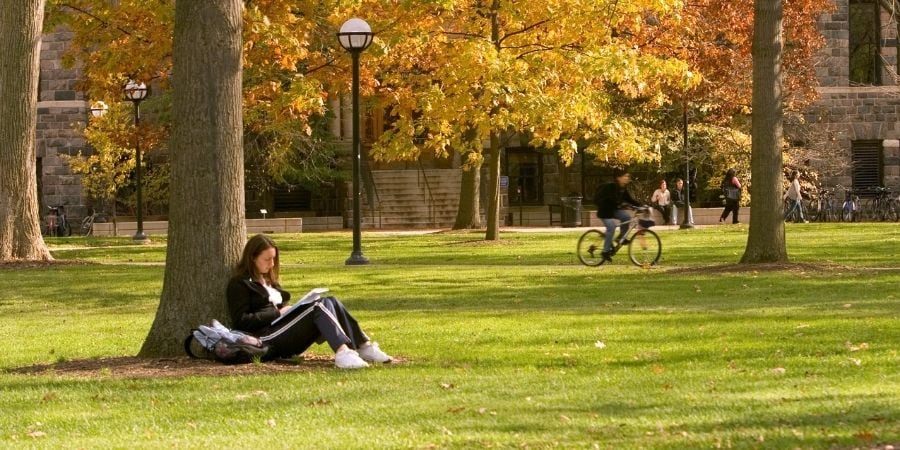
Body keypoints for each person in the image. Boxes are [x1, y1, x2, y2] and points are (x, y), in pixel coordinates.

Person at [226, 234, 392, 369]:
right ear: (252, 258)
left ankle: (363, 346)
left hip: (284, 329)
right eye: (267, 259)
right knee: (318, 306)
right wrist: (277, 313)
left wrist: (289, 311)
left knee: (330, 300)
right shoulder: (240, 284)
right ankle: (342, 352)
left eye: (274, 259)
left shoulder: (268, 280)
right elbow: (241, 321)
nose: (272, 264)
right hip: (266, 338)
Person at [594, 168, 642, 261]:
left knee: (626, 217)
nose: (628, 178)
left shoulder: (623, 188)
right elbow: (610, 200)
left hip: (614, 210)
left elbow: (630, 200)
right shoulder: (611, 187)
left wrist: (641, 205)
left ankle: (620, 238)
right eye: (626, 176)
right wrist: (624, 205)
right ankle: (605, 252)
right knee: (611, 227)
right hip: (605, 211)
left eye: (628, 176)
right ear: (619, 178)